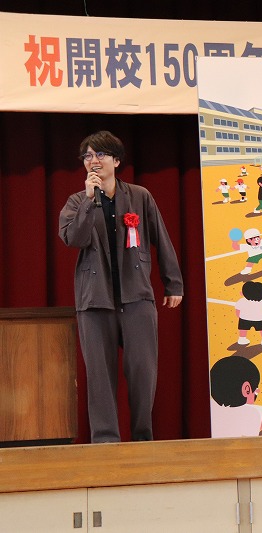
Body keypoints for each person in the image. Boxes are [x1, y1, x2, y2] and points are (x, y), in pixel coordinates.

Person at [58, 130, 183, 443]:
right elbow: (74, 238)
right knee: (99, 377)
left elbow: (161, 238)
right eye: (87, 156)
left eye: (100, 154)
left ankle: (142, 438)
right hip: (94, 301)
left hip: (136, 297)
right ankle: (105, 442)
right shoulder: (77, 201)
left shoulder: (140, 196)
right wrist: (89, 201)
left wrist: (173, 283)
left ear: (116, 160)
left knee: (143, 373)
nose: (93, 161)